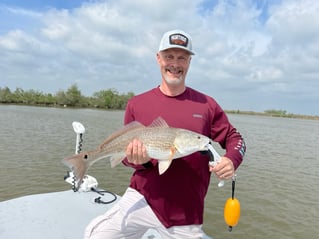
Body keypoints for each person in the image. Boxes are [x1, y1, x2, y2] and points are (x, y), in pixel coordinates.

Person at [84, 29, 246, 239]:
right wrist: (139, 161)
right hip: (141, 196)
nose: (175, 64)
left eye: (182, 58)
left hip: (185, 210)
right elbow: (127, 160)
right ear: (158, 58)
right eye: (169, 56)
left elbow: (235, 138)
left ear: (189, 62)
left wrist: (232, 160)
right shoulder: (137, 103)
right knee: (95, 235)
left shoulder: (207, 104)